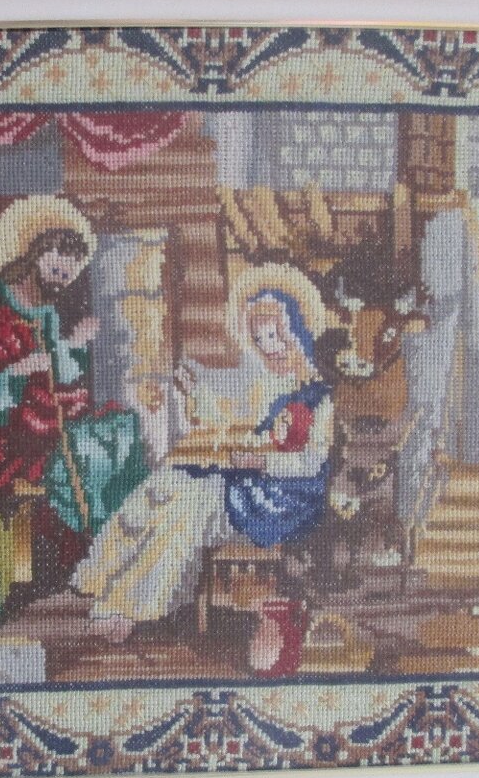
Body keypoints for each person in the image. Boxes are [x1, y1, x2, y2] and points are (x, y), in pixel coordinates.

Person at [70, 263, 336, 675]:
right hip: (250, 480)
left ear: (296, 332)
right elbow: (233, 420)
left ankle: (135, 605)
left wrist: (262, 460)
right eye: (260, 339)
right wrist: (195, 392)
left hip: (286, 497)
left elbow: (311, 463)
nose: (269, 347)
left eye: (275, 336)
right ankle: (104, 576)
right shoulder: (268, 383)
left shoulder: (318, 396)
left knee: (191, 499)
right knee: (169, 481)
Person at [0, 196, 148, 583]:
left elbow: (59, 376)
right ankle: (99, 557)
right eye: (58, 255)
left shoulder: (44, 315)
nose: (66, 269)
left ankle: (123, 551)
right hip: (0, 439)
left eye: (74, 262)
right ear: (32, 251)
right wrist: (17, 371)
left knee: (122, 429)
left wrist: (73, 345)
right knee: (91, 453)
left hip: (42, 426)